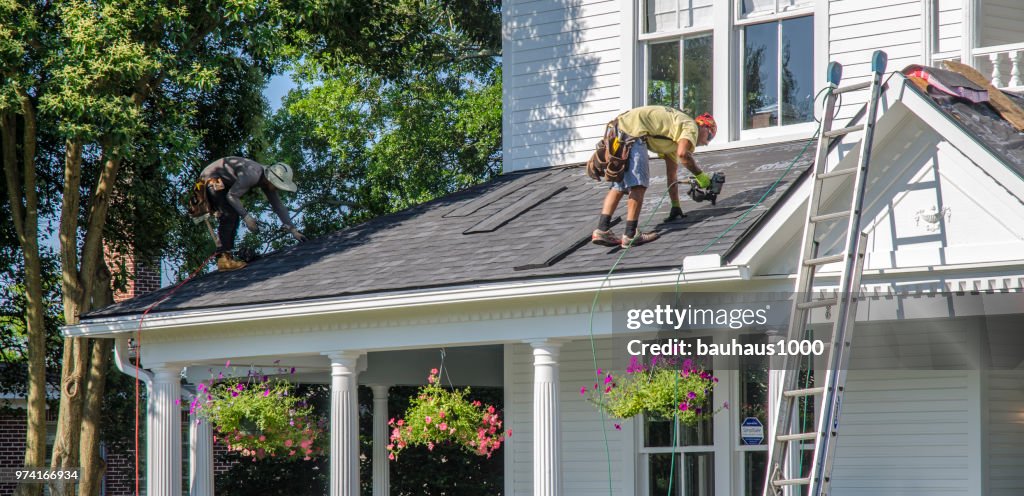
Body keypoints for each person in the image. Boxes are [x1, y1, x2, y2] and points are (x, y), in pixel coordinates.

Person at [591, 107, 717, 248]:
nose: (707, 143)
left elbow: (672, 175)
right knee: (638, 184)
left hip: (620, 130)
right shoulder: (691, 126)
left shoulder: (673, 138)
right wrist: (701, 176)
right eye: (710, 136)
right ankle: (630, 235)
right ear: (703, 126)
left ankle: (602, 230)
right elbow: (683, 155)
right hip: (634, 134)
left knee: (619, 186)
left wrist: (675, 205)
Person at [200, 157, 306, 271]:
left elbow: (278, 206)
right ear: (271, 179)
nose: (277, 188)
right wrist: (247, 217)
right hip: (210, 178)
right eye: (277, 185)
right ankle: (224, 259)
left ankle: (227, 257)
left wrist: (293, 230)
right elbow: (232, 196)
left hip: (223, 180)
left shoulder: (266, 180)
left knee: (233, 213)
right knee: (230, 214)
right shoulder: (252, 174)